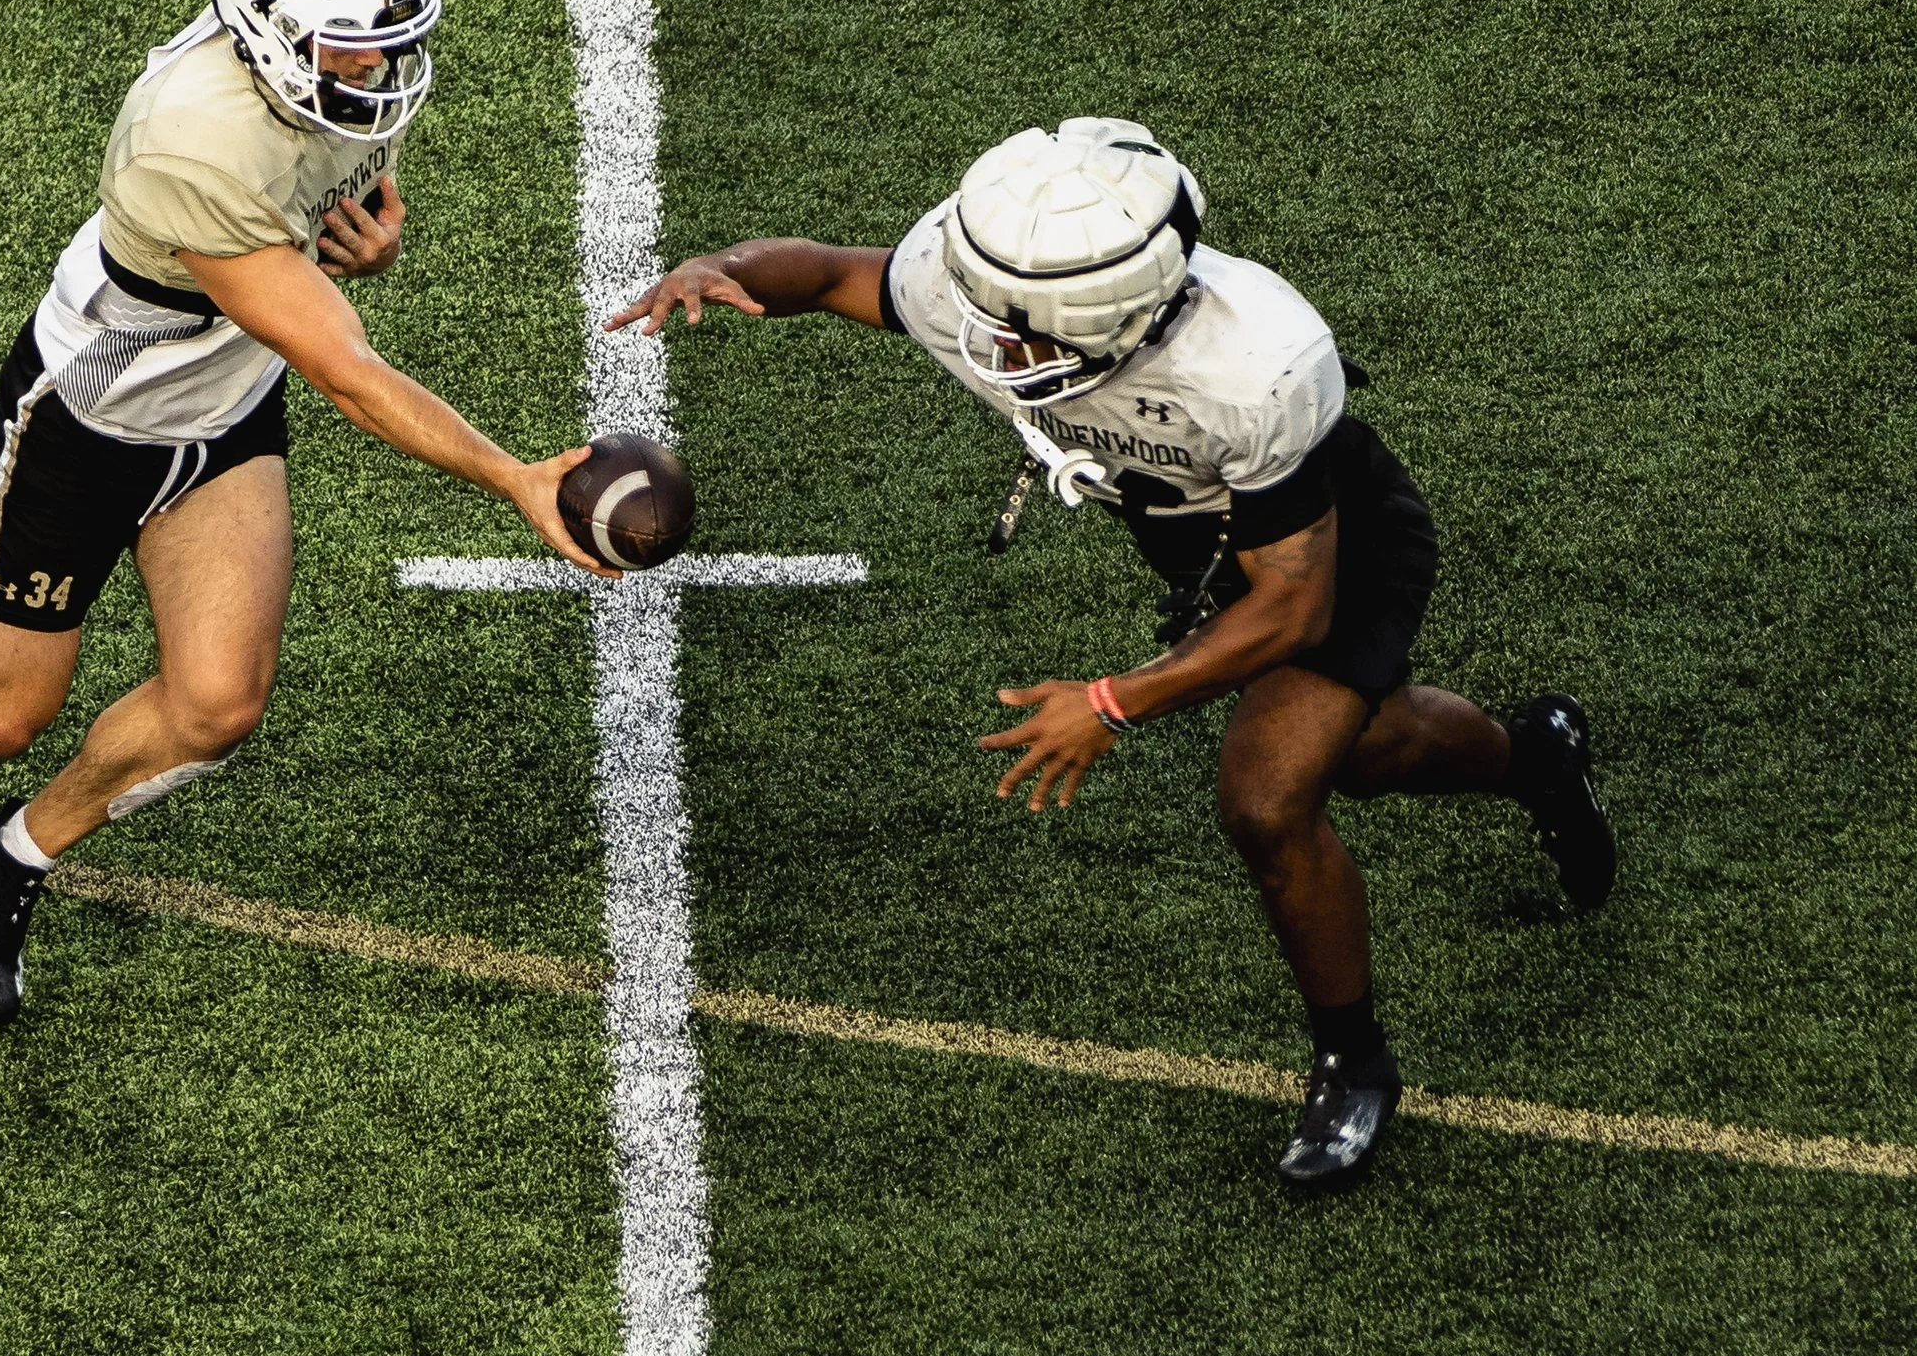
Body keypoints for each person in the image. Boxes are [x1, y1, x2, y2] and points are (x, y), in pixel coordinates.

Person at [609, 117, 1612, 1192]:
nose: (986, 339)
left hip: (1328, 550)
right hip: (1201, 542)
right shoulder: (1001, 284)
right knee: (1361, 750)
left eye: (1018, 329)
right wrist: (723, 267)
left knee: (1269, 798)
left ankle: (1351, 1061)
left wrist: (1110, 701)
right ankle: (1530, 757)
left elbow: (1289, 612)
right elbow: (835, 274)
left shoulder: (1254, 366)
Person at [0, 0, 607, 1024]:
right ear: (271, 27)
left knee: (218, 701)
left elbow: (325, 229)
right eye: (349, 47)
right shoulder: (188, 142)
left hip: (224, 411)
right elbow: (346, 368)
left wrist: (366, 251)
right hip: (88, 426)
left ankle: (13, 855)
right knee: (0, 713)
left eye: (388, 41)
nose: (378, 69)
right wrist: (514, 476)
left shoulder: (335, 78)